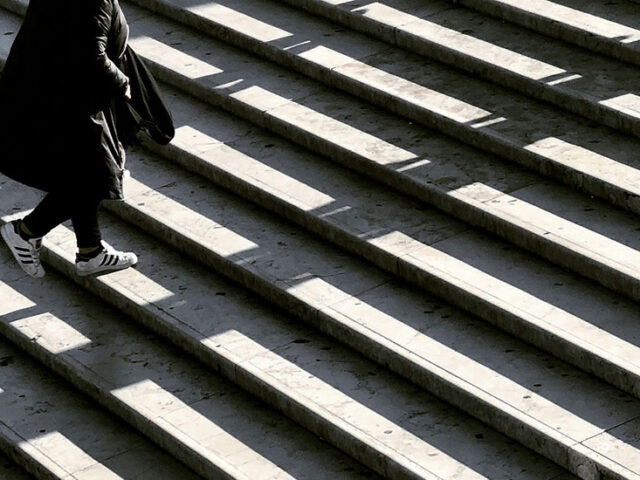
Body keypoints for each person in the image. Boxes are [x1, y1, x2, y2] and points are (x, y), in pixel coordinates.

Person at [0, 0, 137, 278]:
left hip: (52, 92)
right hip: (62, 98)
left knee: (82, 169)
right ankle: (26, 231)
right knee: (94, 174)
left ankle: (90, 251)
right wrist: (122, 82)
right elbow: (91, 52)